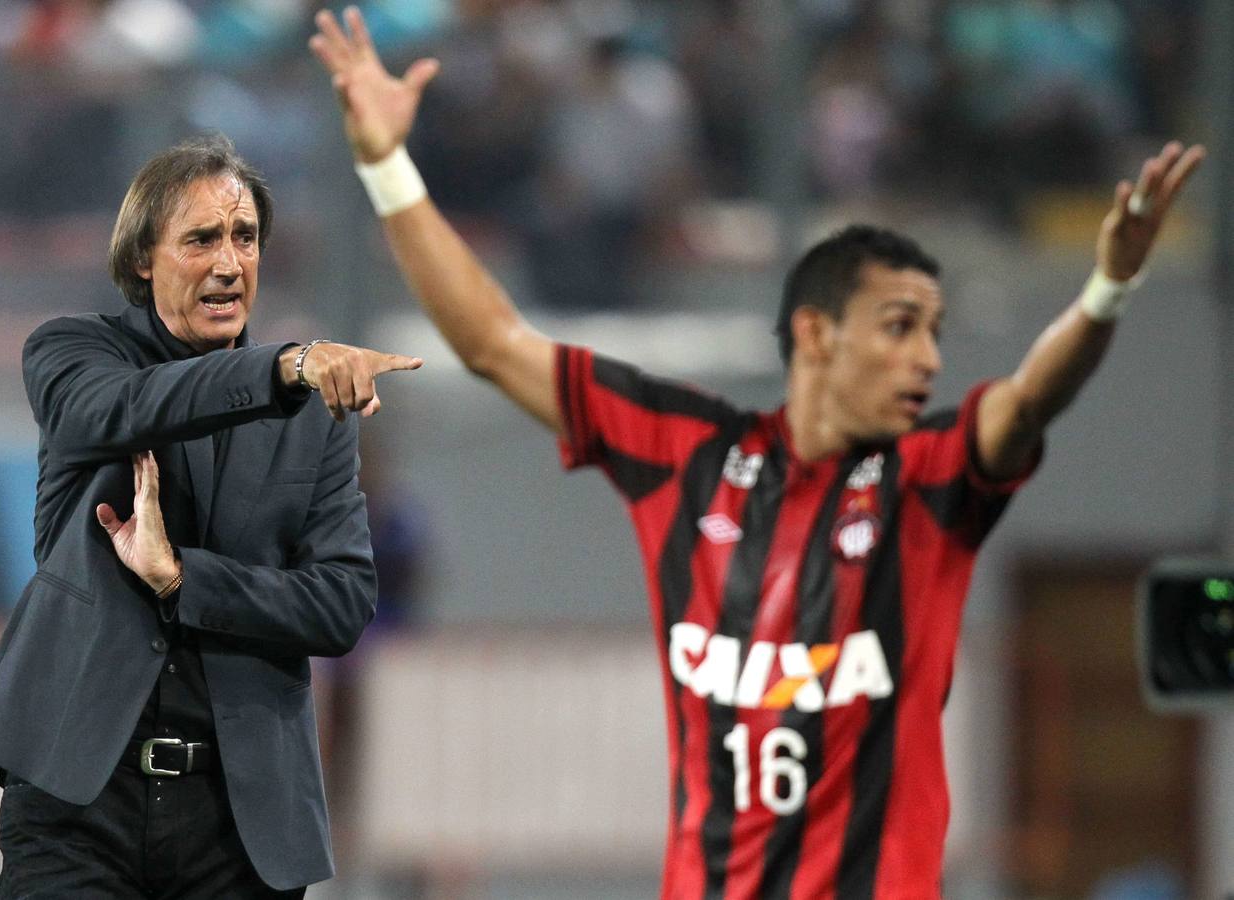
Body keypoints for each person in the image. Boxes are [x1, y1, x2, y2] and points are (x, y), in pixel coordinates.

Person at [308, 7, 1204, 898]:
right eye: (899, 328)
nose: (928, 360)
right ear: (816, 334)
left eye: (932, 334)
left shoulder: (925, 483)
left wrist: (1107, 290)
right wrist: (387, 165)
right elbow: (496, 343)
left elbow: (1028, 402)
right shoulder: (685, 451)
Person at [0, 133, 422, 897]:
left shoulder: (315, 415)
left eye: (245, 237)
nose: (229, 263)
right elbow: (123, 408)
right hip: (78, 807)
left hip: (242, 828)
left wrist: (184, 580)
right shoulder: (74, 355)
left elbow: (342, 605)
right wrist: (283, 366)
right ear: (143, 259)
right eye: (201, 239)